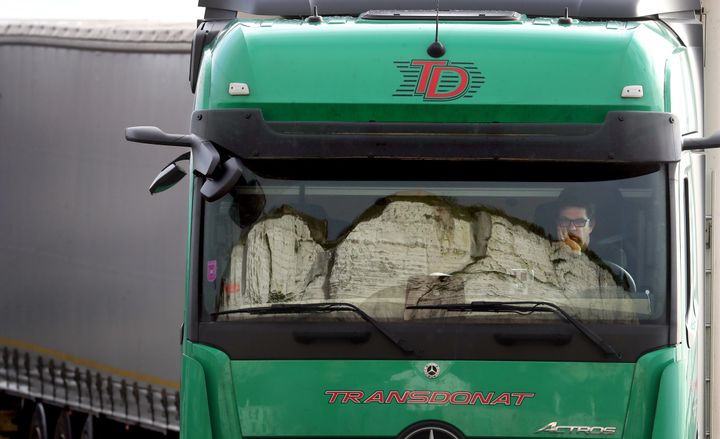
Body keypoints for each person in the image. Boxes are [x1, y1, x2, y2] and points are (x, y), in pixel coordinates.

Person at [555, 189, 595, 254]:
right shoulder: (545, 253)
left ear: (591, 226)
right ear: (557, 223)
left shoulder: (609, 255)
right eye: (565, 221)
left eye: (579, 221)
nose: (571, 228)